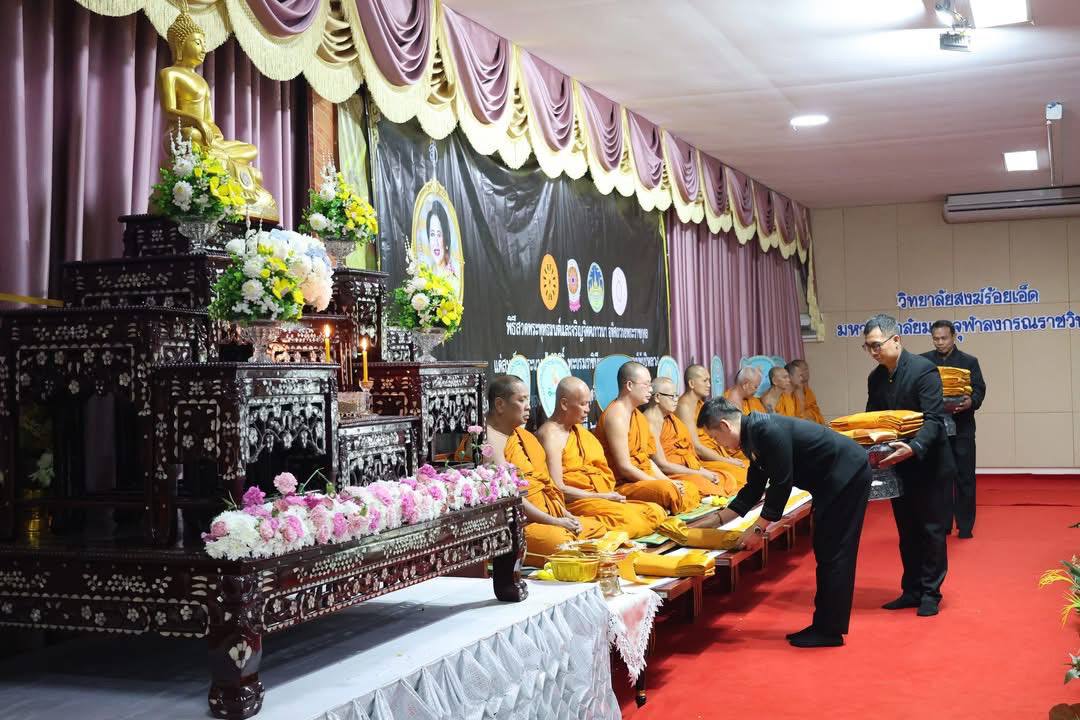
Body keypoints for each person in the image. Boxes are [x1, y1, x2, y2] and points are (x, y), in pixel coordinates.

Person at [699, 398, 871, 648]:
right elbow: (753, 488)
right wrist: (713, 522)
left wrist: (758, 529)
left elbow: (782, 483)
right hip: (832, 480)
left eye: (715, 438)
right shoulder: (752, 434)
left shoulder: (765, 430)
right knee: (826, 550)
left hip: (847, 475)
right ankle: (824, 625)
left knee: (834, 553)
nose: (718, 445)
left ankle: (829, 631)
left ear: (725, 426)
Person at [863, 314, 956, 617]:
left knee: (931, 530)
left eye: (877, 345)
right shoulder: (875, 378)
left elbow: (934, 419)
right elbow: (872, 420)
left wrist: (913, 447)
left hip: (928, 462)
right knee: (907, 531)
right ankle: (911, 589)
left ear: (896, 340)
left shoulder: (923, 370)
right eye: (868, 347)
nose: (874, 352)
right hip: (897, 464)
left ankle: (930, 592)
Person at [484, 375, 607, 565]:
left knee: (597, 527)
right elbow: (511, 497)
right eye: (521, 400)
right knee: (561, 543)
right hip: (517, 523)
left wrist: (565, 516)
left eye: (527, 399)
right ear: (500, 405)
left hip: (547, 514)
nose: (528, 406)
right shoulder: (489, 441)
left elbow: (544, 486)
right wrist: (554, 521)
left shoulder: (524, 436)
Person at [536, 376, 667, 537]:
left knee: (655, 511)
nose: (587, 410)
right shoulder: (550, 435)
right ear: (564, 404)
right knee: (634, 521)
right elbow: (559, 489)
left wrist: (605, 495)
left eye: (588, 404)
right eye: (583, 404)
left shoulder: (580, 433)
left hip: (600, 496)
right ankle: (587, 526)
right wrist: (601, 496)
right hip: (577, 502)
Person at [595, 362, 701, 513]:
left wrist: (667, 480)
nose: (650, 390)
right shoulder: (616, 416)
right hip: (624, 484)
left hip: (643, 478)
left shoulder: (637, 415)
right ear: (629, 385)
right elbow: (624, 467)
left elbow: (647, 460)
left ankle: (665, 505)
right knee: (671, 492)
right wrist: (660, 483)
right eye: (646, 385)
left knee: (688, 487)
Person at [921, 320, 986, 539]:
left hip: (962, 428)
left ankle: (965, 526)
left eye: (944, 338)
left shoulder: (969, 361)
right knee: (938, 478)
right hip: (936, 429)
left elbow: (979, 389)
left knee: (964, 477)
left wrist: (971, 401)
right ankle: (943, 524)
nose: (940, 343)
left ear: (954, 336)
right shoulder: (923, 361)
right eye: (936, 338)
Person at [642, 377, 740, 497]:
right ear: (657, 397)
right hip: (671, 472)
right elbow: (662, 465)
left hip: (689, 467)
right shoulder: (650, 421)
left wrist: (702, 471)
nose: (675, 400)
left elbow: (689, 452)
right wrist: (701, 473)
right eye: (671, 396)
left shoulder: (670, 418)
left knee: (727, 477)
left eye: (676, 395)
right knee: (702, 487)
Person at [676, 365, 748, 473]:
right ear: (691, 383)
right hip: (700, 458)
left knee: (748, 465)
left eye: (709, 380)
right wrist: (727, 461)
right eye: (705, 381)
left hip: (715, 451)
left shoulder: (700, 404)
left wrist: (727, 458)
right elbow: (696, 447)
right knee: (740, 472)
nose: (709, 385)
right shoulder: (683, 407)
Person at [425, 202, 461, 296]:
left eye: (439, 234)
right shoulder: (424, 280)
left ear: (446, 239)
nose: (436, 242)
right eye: (432, 234)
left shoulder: (454, 283)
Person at [786, 359, 826, 424]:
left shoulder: (807, 391)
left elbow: (815, 410)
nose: (807, 372)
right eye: (804, 369)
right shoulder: (789, 393)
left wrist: (809, 414)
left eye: (807, 369)